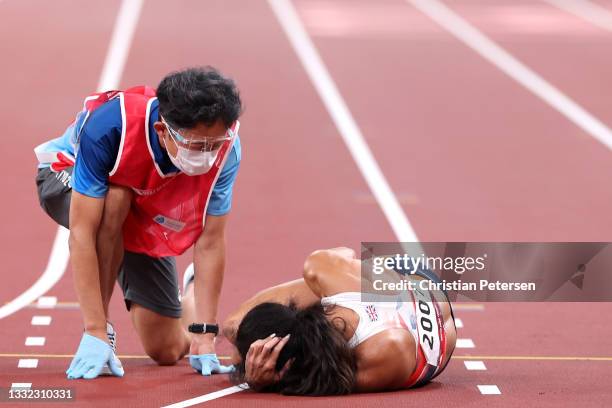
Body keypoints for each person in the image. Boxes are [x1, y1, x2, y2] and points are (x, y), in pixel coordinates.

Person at [34, 66, 241, 379]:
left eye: (214, 145)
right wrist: (95, 329)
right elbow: (82, 234)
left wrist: (205, 334)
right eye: (198, 146)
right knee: (115, 200)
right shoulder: (108, 127)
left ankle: (190, 298)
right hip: (68, 175)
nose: (208, 156)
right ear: (162, 131)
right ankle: (100, 332)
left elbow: (211, 240)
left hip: (141, 201)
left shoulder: (227, 149)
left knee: (167, 349)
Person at [222, 247, 457, 395]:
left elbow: (311, 382)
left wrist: (261, 384)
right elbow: (346, 252)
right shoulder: (320, 270)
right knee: (232, 326)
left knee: (235, 330)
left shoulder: (384, 350)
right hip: (396, 291)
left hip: (413, 282)